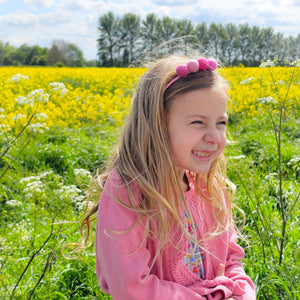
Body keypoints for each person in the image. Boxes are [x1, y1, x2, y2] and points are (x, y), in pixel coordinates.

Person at [82, 55, 256, 299]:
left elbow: (230, 258)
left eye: (221, 122)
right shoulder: (128, 191)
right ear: (157, 125)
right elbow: (131, 289)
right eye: (198, 122)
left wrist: (242, 292)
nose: (216, 138)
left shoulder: (207, 187)